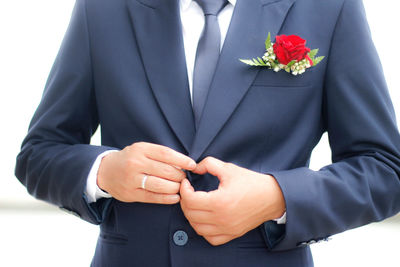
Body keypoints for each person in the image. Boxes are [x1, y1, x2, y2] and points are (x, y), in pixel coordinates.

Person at [15, 0, 400, 266]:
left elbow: (385, 170)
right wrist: (103, 172)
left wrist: (277, 197)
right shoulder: (104, 9)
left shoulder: (329, 8)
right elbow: (38, 154)